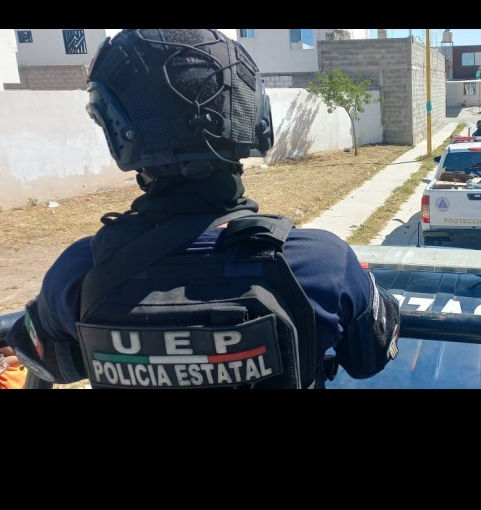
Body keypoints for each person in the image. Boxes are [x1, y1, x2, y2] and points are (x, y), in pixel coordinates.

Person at [7, 29, 400, 389]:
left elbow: (47, 362)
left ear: (117, 127)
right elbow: (371, 356)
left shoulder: (77, 273)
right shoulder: (322, 264)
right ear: (253, 117)